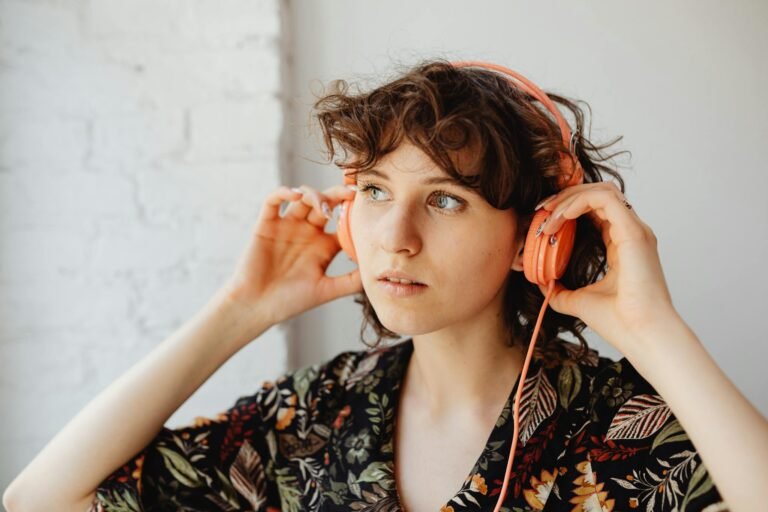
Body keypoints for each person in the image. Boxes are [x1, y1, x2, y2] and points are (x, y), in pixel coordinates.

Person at [3, 59, 766, 512]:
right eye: (372, 190)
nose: (393, 238)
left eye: (445, 199)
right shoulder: (315, 416)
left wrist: (656, 331)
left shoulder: (615, 427)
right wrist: (238, 313)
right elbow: (39, 502)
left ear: (535, 237)